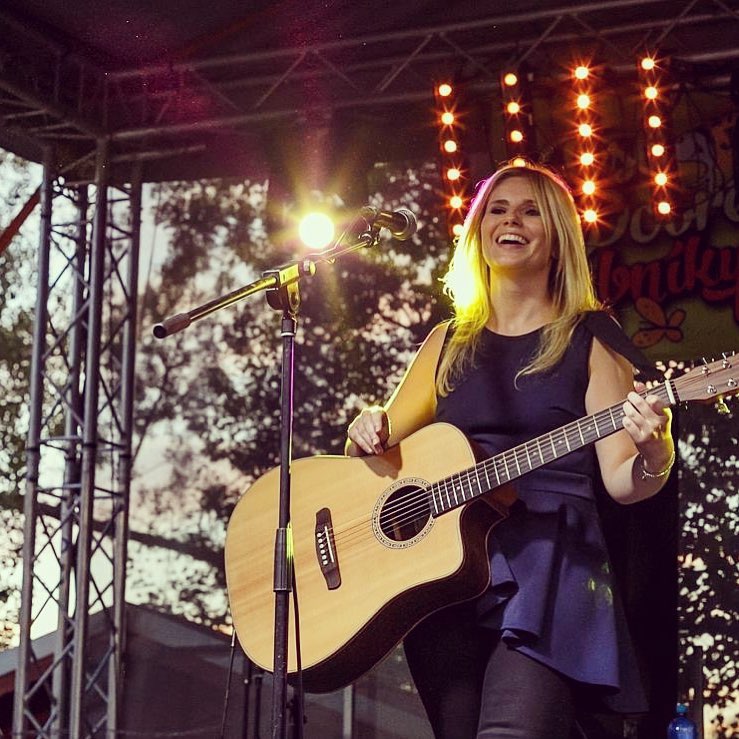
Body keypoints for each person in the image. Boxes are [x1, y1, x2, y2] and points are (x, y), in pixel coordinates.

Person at [344, 161, 675, 739]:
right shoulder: (446, 342)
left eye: (530, 211)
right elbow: (374, 458)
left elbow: (624, 480)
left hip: (552, 566)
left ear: (557, 239)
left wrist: (656, 450)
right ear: (478, 233)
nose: (510, 220)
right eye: (497, 209)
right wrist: (365, 426)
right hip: (446, 574)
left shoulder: (591, 338)